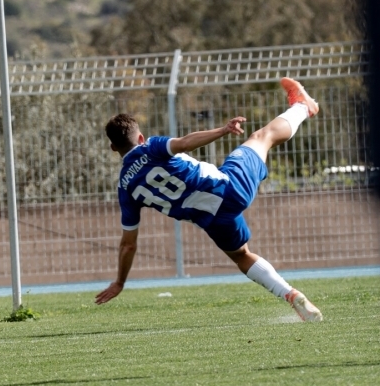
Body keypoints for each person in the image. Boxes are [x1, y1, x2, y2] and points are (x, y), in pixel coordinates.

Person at [95, 77, 323, 322]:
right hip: (230, 189)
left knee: (241, 256)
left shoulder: (125, 187)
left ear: (112, 147)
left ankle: (290, 294)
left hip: (212, 219)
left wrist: (120, 281)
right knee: (262, 137)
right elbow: (184, 143)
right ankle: (303, 106)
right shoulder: (150, 147)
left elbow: (128, 244)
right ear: (140, 138)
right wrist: (223, 130)